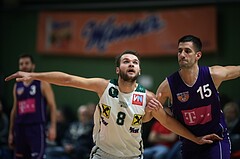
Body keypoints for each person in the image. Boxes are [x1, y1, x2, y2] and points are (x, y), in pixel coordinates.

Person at [5, 50, 222, 159]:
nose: (131, 64)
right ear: (118, 69)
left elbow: (168, 122)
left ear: (139, 70)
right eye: (126, 61)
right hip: (102, 154)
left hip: (132, 156)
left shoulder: (147, 97)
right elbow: (68, 79)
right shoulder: (103, 87)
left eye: (135, 62)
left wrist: (194, 138)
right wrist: (33, 75)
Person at [150, 35, 240, 159]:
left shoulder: (213, 74)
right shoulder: (167, 86)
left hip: (216, 139)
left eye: (187, 51)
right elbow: (152, 117)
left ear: (198, 55)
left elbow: (236, 70)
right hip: (189, 141)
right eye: (179, 51)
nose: (182, 54)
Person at [8, 54, 57, 159]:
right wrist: (11, 132)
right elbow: (14, 110)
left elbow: (52, 106)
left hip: (36, 127)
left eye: (26, 63)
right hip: (20, 127)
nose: (24, 66)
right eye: (21, 64)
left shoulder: (42, 83)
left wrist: (53, 127)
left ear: (33, 66)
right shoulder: (17, 86)